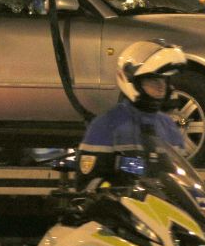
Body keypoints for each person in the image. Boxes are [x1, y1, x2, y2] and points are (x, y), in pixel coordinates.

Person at [76, 39, 187, 189]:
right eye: (154, 80)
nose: (161, 86)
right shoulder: (106, 125)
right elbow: (89, 183)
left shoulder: (168, 125)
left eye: (164, 80)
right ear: (133, 81)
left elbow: (182, 180)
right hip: (124, 210)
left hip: (161, 210)